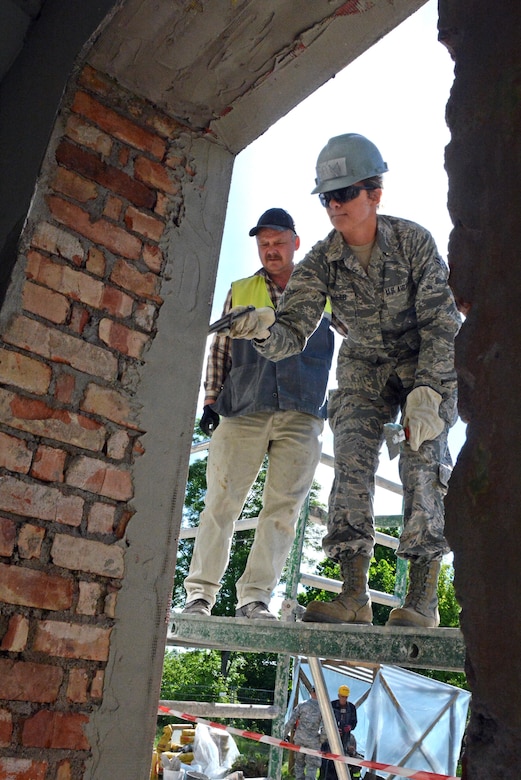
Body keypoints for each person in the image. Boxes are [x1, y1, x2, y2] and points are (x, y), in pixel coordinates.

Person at [226, 134, 461, 628]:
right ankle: (354, 595)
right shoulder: (320, 260)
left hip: (426, 362)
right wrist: (268, 327)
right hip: (365, 365)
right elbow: (294, 327)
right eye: (327, 197)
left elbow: (442, 322)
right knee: (351, 459)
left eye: (346, 193)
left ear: (375, 194)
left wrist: (431, 392)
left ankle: (421, 600)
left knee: (423, 461)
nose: (335, 205)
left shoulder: (413, 240)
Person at [182, 208, 334, 620]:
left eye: (278, 242)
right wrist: (211, 400)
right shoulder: (243, 288)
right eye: (264, 244)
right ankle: (199, 596)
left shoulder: (322, 289)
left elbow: (356, 340)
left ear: (295, 243)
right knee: (221, 502)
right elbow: (221, 349)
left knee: (282, 511)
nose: (271, 250)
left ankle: (254, 599)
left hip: (303, 411)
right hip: (244, 404)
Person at [320, 685, 358, 780]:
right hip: (330, 739)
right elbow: (324, 720)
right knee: (327, 761)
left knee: (340, 763)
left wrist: (349, 727)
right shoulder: (331, 705)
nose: (343, 699)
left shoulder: (351, 708)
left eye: (345, 697)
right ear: (338, 695)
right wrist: (334, 730)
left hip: (344, 740)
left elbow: (354, 722)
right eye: (342, 696)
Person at [284, 688, 324, 780]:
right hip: (313, 742)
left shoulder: (302, 705)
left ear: (311, 692)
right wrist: (321, 740)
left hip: (299, 739)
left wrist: (283, 735)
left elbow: (291, 721)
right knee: (312, 766)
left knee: (299, 764)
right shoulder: (323, 708)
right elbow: (325, 727)